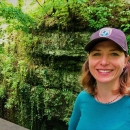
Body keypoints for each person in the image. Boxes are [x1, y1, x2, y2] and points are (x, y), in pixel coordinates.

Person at [68, 27, 130, 130]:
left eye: (114, 54)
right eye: (97, 54)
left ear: (125, 61)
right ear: (89, 60)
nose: (104, 62)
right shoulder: (82, 98)